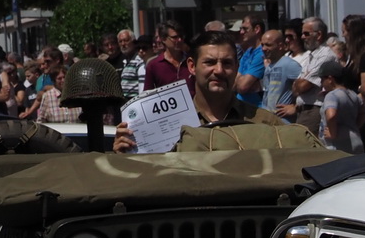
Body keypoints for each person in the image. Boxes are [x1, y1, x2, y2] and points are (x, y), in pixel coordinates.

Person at [113, 32, 285, 151]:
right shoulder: (162, 124)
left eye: (226, 63)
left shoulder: (266, 123)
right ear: (192, 66)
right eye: (209, 62)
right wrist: (126, 153)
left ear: (236, 67)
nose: (218, 70)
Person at [319, 60, 365, 153]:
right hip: (356, 142)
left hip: (337, 148)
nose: (321, 83)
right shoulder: (353, 95)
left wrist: (333, 134)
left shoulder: (332, 95)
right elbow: (363, 113)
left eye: (322, 79)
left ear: (330, 79)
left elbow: (331, 115)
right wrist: (354, 128)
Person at [256, 28, 301, 119]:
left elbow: (310, 85)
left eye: (268, 45)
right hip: (270, 120)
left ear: (280, 46)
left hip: (284, 122)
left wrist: (295, 107)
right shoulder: (269, 66)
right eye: (262, 45)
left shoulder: (289, 64)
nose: (264, 48)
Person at [144, 24, 193, 91]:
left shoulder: (192, 61)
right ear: (163, 39)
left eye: (181, 36)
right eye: (175, 37)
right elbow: (147, 94)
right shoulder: (153, 65)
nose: (179, 40)